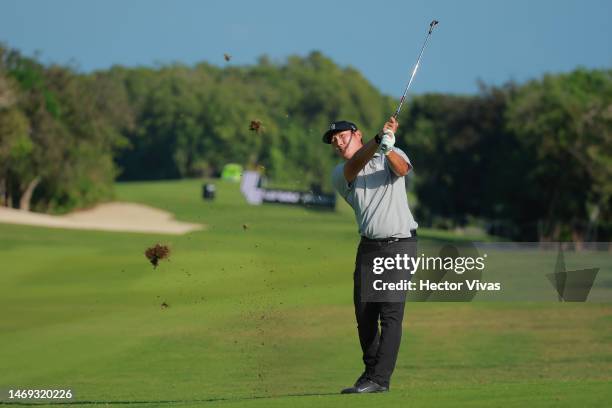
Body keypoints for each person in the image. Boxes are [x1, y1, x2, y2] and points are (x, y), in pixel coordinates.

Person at [322, 117, 418, 394]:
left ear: (357, 134)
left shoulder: (391, 153)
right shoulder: (340, 173)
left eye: (342, 136)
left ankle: (379, 379)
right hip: (369, 248)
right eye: (334, 141)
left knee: (390, 314)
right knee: (364, 314)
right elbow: (355, 167)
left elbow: (402, 171)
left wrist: (387, 149)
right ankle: (371, 372)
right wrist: (378, 141)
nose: (338, 143)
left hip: (400, 245)